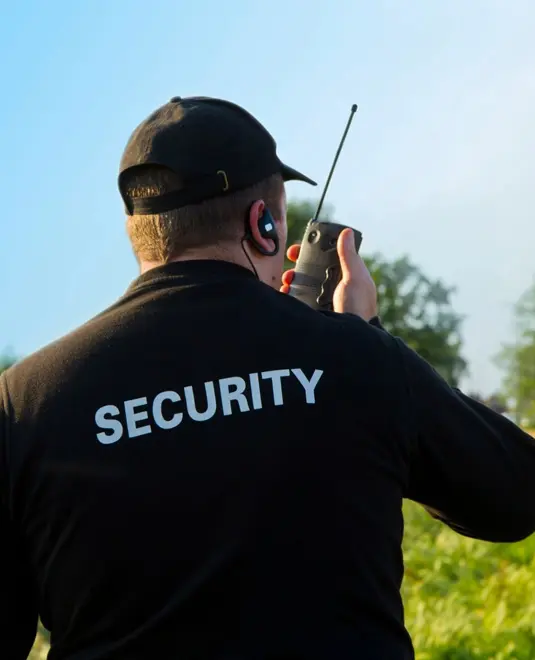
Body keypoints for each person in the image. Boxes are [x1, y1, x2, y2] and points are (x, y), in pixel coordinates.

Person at [1, 96, 535, 660]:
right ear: (263, 222)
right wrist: (365, 336)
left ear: (139, 230)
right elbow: (514, 497)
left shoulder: (23, 400)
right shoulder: (359, 358)